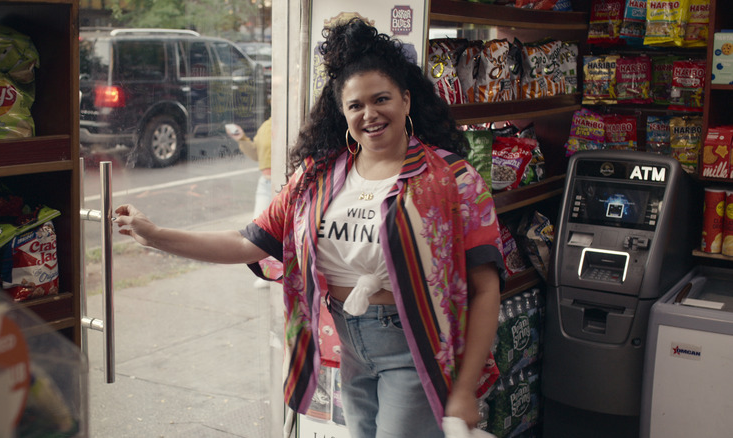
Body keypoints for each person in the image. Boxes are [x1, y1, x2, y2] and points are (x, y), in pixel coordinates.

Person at [115, 17, 504, 438]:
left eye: (381, 99)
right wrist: (155, 236)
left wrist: (464, 390)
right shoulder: (318, 178)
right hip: (350, 345)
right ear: (343, 112)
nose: (369, 114)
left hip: (415, 350)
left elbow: (486, 288)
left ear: (406, 100)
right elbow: (247, 242)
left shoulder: (452, 179)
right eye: (356, 105)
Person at [226, 117, 273, 219]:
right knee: (258, 227)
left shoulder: (289, 123)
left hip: (285, 184)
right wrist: (241, 139)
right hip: (265, 184)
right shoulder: (266, 126)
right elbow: (256, 154)